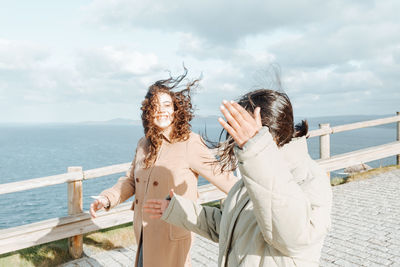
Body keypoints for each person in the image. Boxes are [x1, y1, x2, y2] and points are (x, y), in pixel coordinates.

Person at [144, 89, 333, 266]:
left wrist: (257, 150)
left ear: (270, 132)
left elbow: (292, 237)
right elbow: (228, 227)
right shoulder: (255, 170)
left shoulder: (310, 180)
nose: (236, 141)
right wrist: (177, 209)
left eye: (243, 128)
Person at [89, 71, 237, 267]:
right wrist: (106, 198)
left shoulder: (189, 143)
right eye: (155, 106)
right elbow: (130, 181)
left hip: (172, 233)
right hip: (144, 233)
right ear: (148, 112)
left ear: (176, 109)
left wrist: (250, 211)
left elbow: (226, 181)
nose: (161, 111)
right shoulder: (143, 143)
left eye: (167, 105)